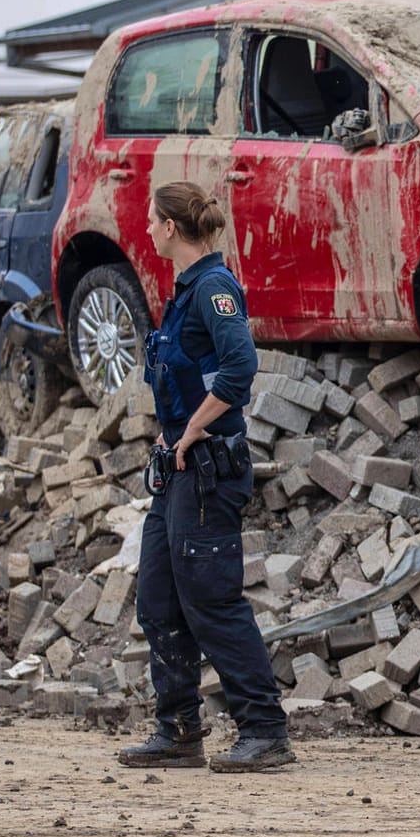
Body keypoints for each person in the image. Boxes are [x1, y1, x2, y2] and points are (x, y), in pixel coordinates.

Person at [117, 181, 293, 773]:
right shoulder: (186, 290)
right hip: (177, 474)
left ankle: (265, 731)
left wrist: (192, 429)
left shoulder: (214, 288)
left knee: (211, 602)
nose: (145, 229)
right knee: (160, 601)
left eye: (150, 220)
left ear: (170, 228)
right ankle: (179, 730)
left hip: (207, 467)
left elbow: (241, 365)